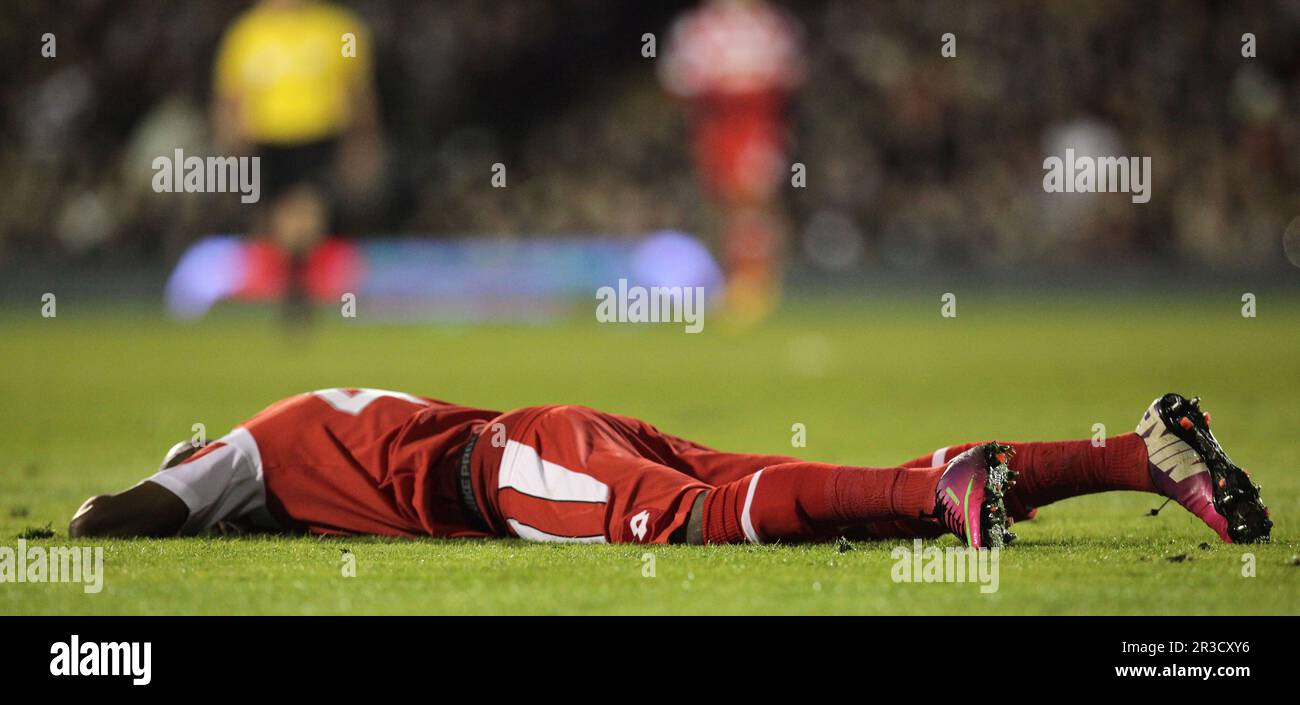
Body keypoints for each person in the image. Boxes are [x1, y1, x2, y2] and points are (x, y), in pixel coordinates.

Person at [68, 389, 1271, 547]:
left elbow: (109, 522)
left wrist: (158, 489)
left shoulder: (242, 454)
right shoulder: (308, 422)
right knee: (863, 495)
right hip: (560, 432)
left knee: (705, 527)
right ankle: (1142, 454)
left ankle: (943, 496)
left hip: (510, 474)